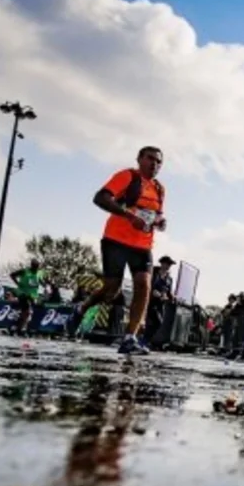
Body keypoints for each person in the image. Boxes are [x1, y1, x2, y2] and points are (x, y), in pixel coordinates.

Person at [69, 146, 167, 354]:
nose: (154, 164)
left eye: (158, 161)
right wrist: (129, 216)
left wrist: (160, 221)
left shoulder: (159, 188)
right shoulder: (127, 176)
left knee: (144, 285)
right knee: (111, 290)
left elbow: (156, 213)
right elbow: (100, 198)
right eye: (150, 158)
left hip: (142, 245)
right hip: (116, 240)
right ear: (139, 159)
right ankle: (81, 308)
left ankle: (130, 338)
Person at [10, 259, 45, 334]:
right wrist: (17, 283)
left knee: (30, 311)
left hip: (33, 295)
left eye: (37, 267)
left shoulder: (39, 272)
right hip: (23, 293)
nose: (35, 269)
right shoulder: (24, 271)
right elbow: (12, 275)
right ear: (31, 266)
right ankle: (19, 328)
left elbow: (40, 280)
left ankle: (21, 327)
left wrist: (44, 285)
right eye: (34, 267)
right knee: (26, 310)